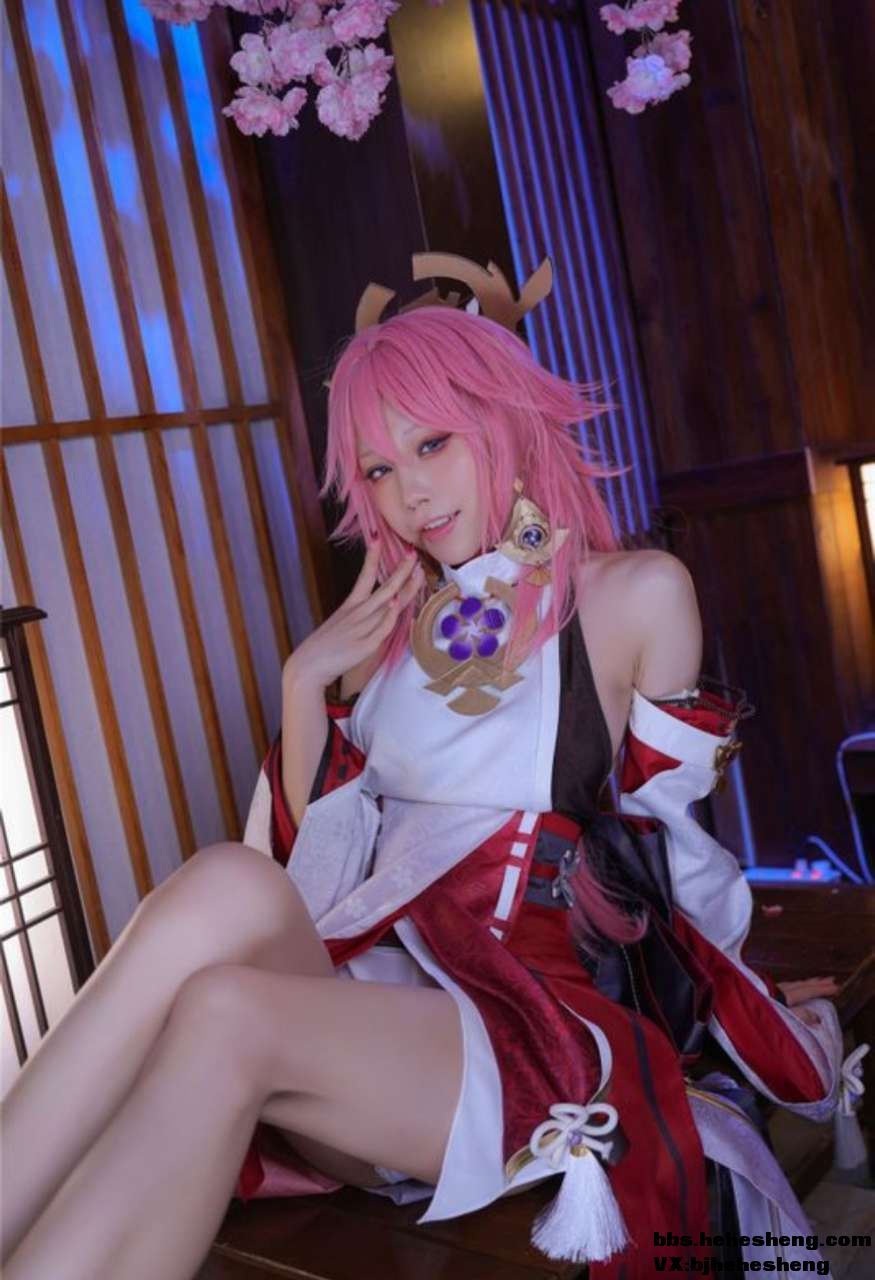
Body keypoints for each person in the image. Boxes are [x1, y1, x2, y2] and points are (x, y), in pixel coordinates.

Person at [0, 266, 855, 1280]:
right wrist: (304, 686)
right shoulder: (389, 632)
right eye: (376, 467)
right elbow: (301, 878)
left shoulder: (634, 593)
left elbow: (668, 855)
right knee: (223, 881)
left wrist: (742, 997)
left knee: (225, 1011)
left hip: (520, 1031)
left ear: (505, 419)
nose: (407, 490)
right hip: (363, 1006)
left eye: (431, 443)